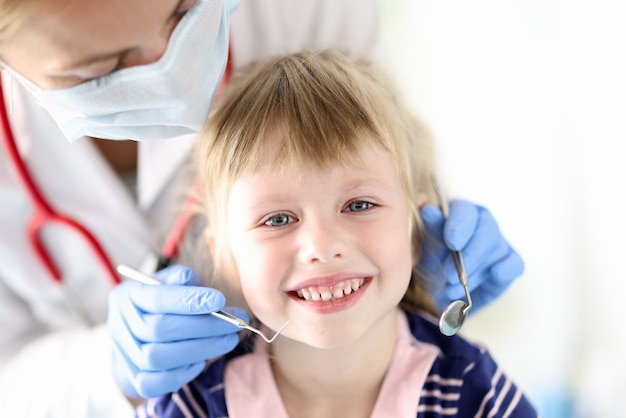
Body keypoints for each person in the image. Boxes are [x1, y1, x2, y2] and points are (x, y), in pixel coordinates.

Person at [0, 0, 524, 416]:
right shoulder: (193, 406)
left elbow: (384, 148)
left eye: (183, 12)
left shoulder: (470, 388)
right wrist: (107, 367)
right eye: (107, 65)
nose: (163, 65)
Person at [137, 50, 537, 417]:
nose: (323, 247)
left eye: (359, 205)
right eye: (277, 219)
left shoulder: (475, 392)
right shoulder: (193, 405)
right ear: (225, 254)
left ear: (418, 229)